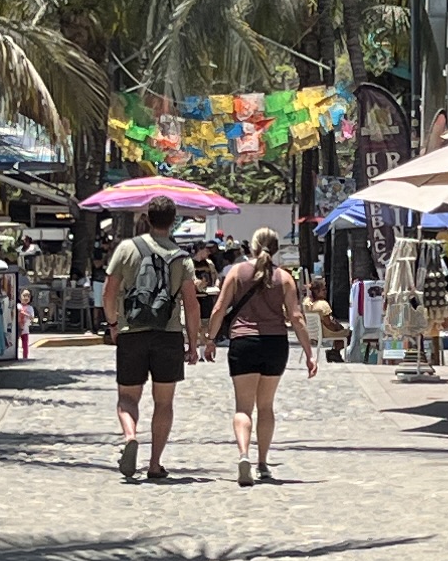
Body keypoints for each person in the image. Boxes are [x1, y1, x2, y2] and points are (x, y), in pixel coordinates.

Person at [100, 195, 202, 481]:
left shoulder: (126, 249)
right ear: (173, 220)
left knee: (127, 398)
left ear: (147, 216)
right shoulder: (182, 257)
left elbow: (108, 292)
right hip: (168, 336)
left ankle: (131, 436)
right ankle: (155, 464)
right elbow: (192, 305)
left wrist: (112, 323)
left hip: (132, 333)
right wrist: (192, 344)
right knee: (164, 402)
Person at [211, 224, 317, 483]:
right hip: (274, 344)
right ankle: (263, 462)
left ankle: (244, 454)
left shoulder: (236, 272)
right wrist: (309, 352)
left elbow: (219, 309)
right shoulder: (285, 278)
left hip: (243, 342)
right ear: (276, 249)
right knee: (266, 406)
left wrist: (209, 340)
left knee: (243, 408)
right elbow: (296, 317)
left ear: (252, 246)